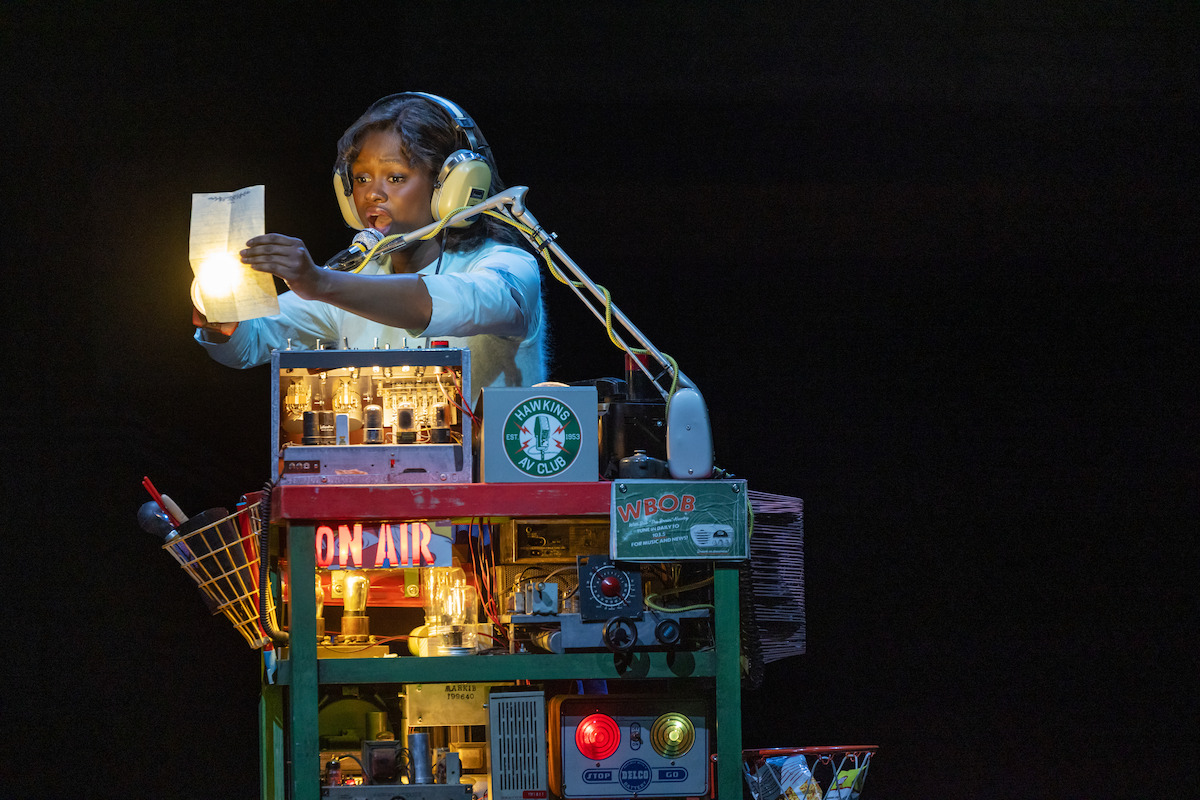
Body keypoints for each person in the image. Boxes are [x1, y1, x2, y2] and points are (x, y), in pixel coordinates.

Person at [193, 92, 547, 398]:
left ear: (451, 187)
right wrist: (219, 306)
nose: (372, 194)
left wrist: (321, 283)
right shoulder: (346, 284)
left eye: (395, 178)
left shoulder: (509, 267)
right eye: (361, 178)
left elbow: (458, 302)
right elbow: (250, 342)